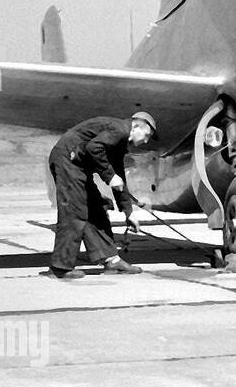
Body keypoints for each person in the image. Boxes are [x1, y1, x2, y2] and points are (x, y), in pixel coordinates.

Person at [44, 112, 157, 279]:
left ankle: (111, 260)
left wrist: (129, 212)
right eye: (147, 135)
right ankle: (60, 267)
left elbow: (119, 177)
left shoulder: (119, 143)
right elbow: (93, 148)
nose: (146, 141)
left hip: (77, 166)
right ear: (136, 126)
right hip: (67, 161)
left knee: (95, 209)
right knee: (75, 213)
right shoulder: (119, 130)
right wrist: (110, 177)